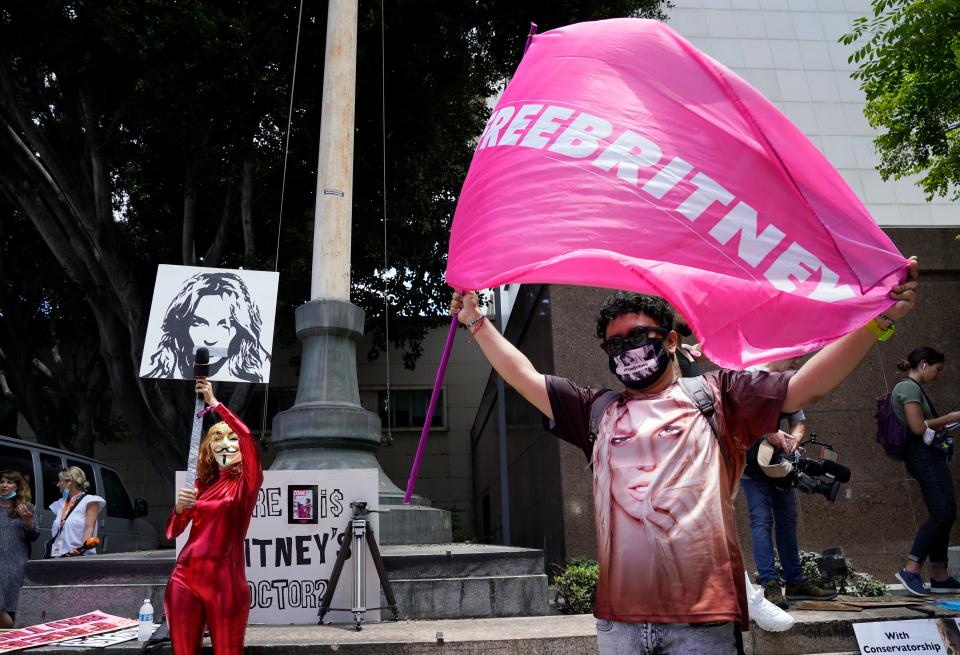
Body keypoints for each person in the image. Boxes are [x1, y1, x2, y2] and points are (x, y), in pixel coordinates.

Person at [450, 257, 917, 655]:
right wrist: (477, 321)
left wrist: (879, 321)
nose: (626, 351)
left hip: (703, 622)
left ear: (671, 340)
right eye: (614, 345)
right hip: (619, 626)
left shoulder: (720, 396)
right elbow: (524, 375)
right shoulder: (594, 410)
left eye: (636, 337)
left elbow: (805, 386)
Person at [165, 379, 263, 654]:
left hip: (226, 586)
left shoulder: (246, 484)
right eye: (218, 438)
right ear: (209, 448)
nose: (226, 444)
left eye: (230, 439)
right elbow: (172, 532)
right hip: (184, 579)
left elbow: (246, 436)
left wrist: (215, 404)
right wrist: (180, 509)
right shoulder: (199, 485)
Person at [741, 357, 837, 609]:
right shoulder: (749, 376)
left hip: (780, 462)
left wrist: (794, 439)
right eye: (793, 356)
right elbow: (736, 415)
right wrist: (766, 433)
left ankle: (795, 581)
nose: (798, 360)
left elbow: (799, 422)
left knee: (787, 518)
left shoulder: (790, 384)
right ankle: (770, 583)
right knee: (761, 520)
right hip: (751, 462)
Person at [891, 347, 960, 596]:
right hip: (922, 456)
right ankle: (911, 569)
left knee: (944, 513)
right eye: (937, 369)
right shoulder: (908, 388)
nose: (937, 375)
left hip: (927, 455)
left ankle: (940, 575)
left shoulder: (913, 388)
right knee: (943, 513)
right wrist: (950, 416)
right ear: (923, 364)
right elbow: (918, 427)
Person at [144, 272, 271, 383]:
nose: (210, 339)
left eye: (224, 324)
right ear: (182, 325)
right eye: (198, 323)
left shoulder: (257, 367)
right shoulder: (161, 366)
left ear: (241, 328)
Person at [0, 469, 39, 628]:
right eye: (2, 481)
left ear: (17, 486)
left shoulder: (26, 507)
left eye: (9, 482)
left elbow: (34, 536)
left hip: (14, 563)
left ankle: (12, 637)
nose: (4, 485)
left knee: (10, 606)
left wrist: (28, 521)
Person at [48, 466, 105, 558]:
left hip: (79, 557)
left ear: (69, 482)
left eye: (60, 481)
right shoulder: (59, 504)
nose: (57, 484)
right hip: (58, 557)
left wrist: (81, 548)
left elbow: (89, 528)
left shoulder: (90, 501)